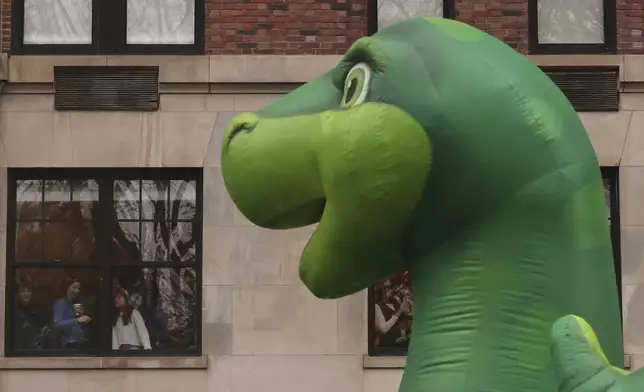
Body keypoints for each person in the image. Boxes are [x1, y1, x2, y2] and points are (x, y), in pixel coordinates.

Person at [52, 277, 91, 349]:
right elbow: (57, 324)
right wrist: (77, 320)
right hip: (68, 344)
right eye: (74, 288)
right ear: (67, 288)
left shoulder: (74, 303)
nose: (77, 291)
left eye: (79, 288)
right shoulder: (61, 303)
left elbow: (77, 325)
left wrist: (83, 318)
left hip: (79, 343)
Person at [374, 279, 411, 348]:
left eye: (390, 287)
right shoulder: (377, 306)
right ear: (380, 290)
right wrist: (399, 311)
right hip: (391, 347)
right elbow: (384, 329)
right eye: (385, 288)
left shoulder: (395, 301)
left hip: (406, 341)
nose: (389, 290)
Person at [14, 282, 49, 349]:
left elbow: (44, 323)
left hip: (36, 343)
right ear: (18, 294)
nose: (26, 294)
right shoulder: (14, 309)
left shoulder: (38, 307)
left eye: (28, 291)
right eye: (23, 291)